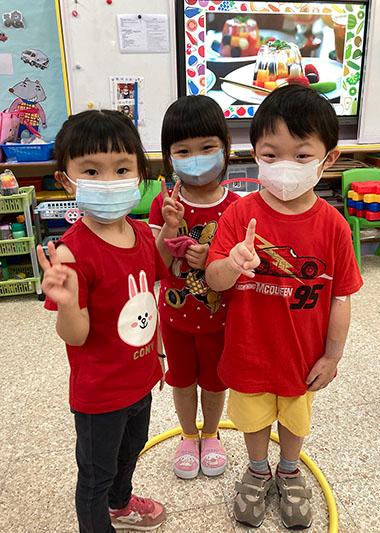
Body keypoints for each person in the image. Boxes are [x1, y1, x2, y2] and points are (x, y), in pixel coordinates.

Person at [206, 85, 363, 529]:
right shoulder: (240, 214)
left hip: (302, 355)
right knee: (252, 417)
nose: (284, 167)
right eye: (271, 155)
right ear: (254, 154)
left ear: (328, 159)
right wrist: (233, 263)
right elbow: (214, 279)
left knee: (295, 418)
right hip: (249, 350)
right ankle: (258, 470)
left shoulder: (333, 225)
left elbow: (341, 296)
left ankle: (290, 470)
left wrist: (332, 356)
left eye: (301, 155)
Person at [36, 110, 166, 533]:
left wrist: (158, 355)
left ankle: (120, 505)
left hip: (140, 378)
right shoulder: (71, 252)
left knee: (131, 451)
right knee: (96, 475)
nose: (109, 181)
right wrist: (67, 303)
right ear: (66, 179)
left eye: (122, 169)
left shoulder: (143, 235)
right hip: (100, 394)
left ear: (140, 174)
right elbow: (75, 336)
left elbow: (148, 302)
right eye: (92, 171)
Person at [149, 95, 239, 480]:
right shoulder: (165, 203)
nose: (196, 158)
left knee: (215, 384)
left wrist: (215, 259)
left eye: (206, 147)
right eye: (183, 151)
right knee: (182, 382)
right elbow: (155, 264)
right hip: (175, 318)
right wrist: (169, 228)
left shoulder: (237, 206)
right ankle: (188, 436)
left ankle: (212, 434)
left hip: (221, 319)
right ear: (169, 157)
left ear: (225, 147)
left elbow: (242, 267)